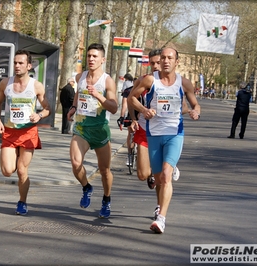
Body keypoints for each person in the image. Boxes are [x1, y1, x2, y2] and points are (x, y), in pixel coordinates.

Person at [128, 47, 201, 233]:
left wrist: (195, 111)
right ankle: (170, 167)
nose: (166, 61)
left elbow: (195, 103)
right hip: (154, 134)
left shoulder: (184, 83)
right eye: (163, 58)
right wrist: (144, 111)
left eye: (170, 58)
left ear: (177, 61)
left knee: (166, 176)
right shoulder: (151, 80)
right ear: (159, 61)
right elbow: (132, 98)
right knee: (158, 178)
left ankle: (161, 218)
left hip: (175, 133)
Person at [0, 49, 51, 215]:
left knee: (21, 170)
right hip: (10, 132)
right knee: (6, 171)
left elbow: (47, 108)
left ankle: (22, 202)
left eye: (21, 63)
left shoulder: (36, 86)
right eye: (15, 63)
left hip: (28, 132)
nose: (17, 66)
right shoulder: (6, 83)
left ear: (29, 65)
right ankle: (16, 156)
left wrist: (39, 115)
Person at [67, 43, 118, 219]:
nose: (91, 59)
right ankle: (87, 187)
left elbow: (113, 108)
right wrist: (73, 107)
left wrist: (98, 95)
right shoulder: (80, 76)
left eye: (95, 56)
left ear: (102, 60)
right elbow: (77, 95)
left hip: (100, 130)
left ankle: (106, 198)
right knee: (75, 162)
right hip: (81, 128)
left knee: (104, 170)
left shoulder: (107, 81)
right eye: (89, 56)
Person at [116, 73, 134, 166]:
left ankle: (130, 154)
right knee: (131, 133)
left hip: (140, 115)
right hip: (134, 114)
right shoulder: (129, 90)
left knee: (131, 134)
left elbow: (124, 105)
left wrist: (122, 117)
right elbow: (124, 105)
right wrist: (122, 117)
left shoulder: (128, 90)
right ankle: (130, 154)